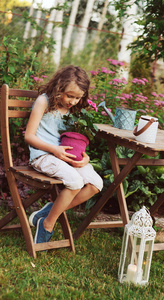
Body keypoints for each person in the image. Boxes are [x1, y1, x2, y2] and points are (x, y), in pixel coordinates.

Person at [25, 65, 103, 244]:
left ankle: (49, 211)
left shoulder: (73, 111)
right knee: (75, 182)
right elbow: (29, 136)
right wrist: (54, 150)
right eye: (70, 96)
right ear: (59, 87)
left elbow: (74, 140)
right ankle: (47, 224)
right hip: (43, 156)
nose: (73, 101)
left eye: (78, 98)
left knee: (96, 184)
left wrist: (85, 157)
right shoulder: (44, 101)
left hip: (64, 158)